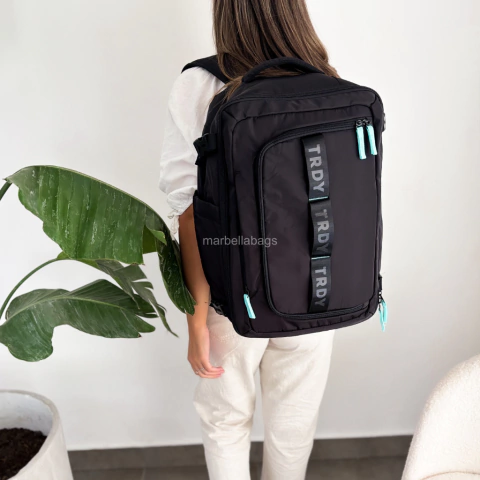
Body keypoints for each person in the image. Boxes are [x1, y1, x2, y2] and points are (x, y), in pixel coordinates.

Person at [159, 1, 339, 478]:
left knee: (226, 422)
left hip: (232, 296)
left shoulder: (200, 84)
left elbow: (189, 213)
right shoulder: (326, 79)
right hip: (316, 292)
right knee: (293, 428)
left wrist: (197, 319)